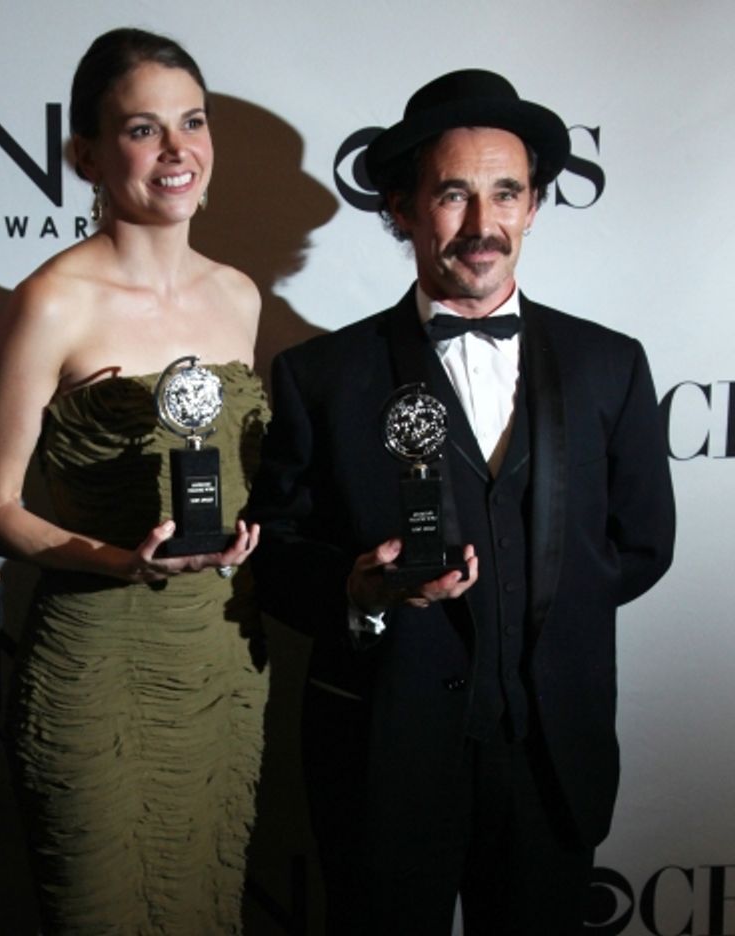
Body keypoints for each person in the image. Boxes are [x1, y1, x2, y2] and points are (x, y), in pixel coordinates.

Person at [248, 70, 675, 935]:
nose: (483, 227)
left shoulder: (611, 365)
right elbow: (274, 555)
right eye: (453, 195)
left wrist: (539, 607)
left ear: (534, 207)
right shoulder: (321, 377)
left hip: (553, 755)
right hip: (383, 755)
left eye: (505, 193)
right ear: (402, 209)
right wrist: (361, 593)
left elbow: (642, 545)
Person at [0, 27, 268, 934]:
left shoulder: (241, 295)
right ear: (88, 155)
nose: (178, 151)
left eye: (193, 122)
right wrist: (118, 561)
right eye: (146, 129)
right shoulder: (53, 299)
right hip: (98, 661)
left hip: (220, 661)